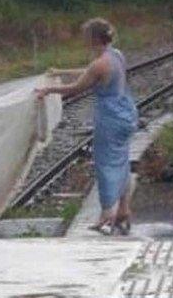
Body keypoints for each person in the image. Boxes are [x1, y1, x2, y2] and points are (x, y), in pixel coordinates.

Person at [36, 18, 137, 235]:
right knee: (121, 162)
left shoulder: (99, 64)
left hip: (110, 118)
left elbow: (77, 87)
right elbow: (88, 72)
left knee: (106, 165)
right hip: (126, 113)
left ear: (93, 38)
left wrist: (49, 91)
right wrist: (61, 71)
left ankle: (106, 214)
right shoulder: (116, 55)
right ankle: (124, 210)